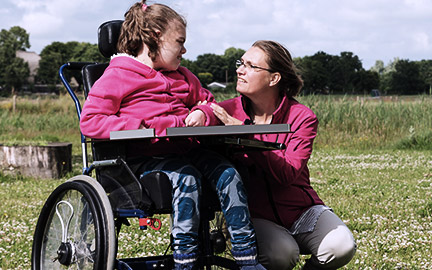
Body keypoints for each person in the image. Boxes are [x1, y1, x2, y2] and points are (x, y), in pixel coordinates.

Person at [79, 2, 265, 269]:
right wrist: (141, 126)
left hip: (187, 150)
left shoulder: (184, 77)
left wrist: (202, 113)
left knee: (228, 173)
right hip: (142, 159)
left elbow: (209, 103)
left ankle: (247, 259)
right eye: (180, 41)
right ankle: (185, 260)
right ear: (155, 35)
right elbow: (91, 121)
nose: (185, 49)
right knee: (185, 177)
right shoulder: (117, 76)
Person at [211, 40, 357, 269]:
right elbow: (202, 109)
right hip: (254, 215)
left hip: (301, 209)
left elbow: (287, 174)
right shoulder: (227, 110)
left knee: (341, 246)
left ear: (274, 78)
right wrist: (200, 111)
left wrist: (246, 137)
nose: (240, 70)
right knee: (282, 253)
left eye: (251, 66)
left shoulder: (302, 117)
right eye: (241, 63)